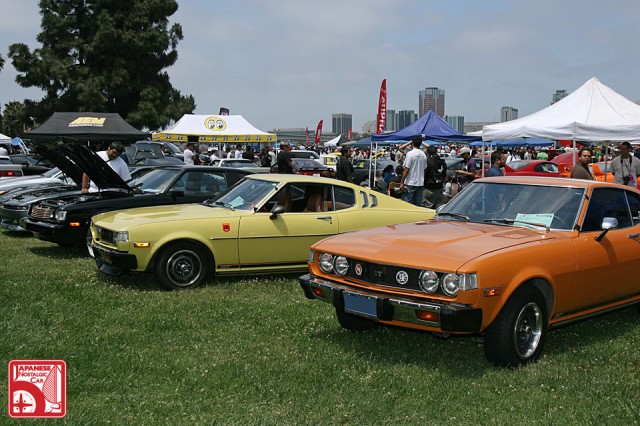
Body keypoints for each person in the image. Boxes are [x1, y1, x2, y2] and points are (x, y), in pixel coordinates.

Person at [399, 136, 427, 206]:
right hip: (420, 182)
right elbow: (424, 168)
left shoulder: (410, 154)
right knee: (417, 204)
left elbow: (406, 169)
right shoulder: (423, 154)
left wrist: (402, 182)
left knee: (407, 203)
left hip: (410, 182)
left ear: (412, 143)